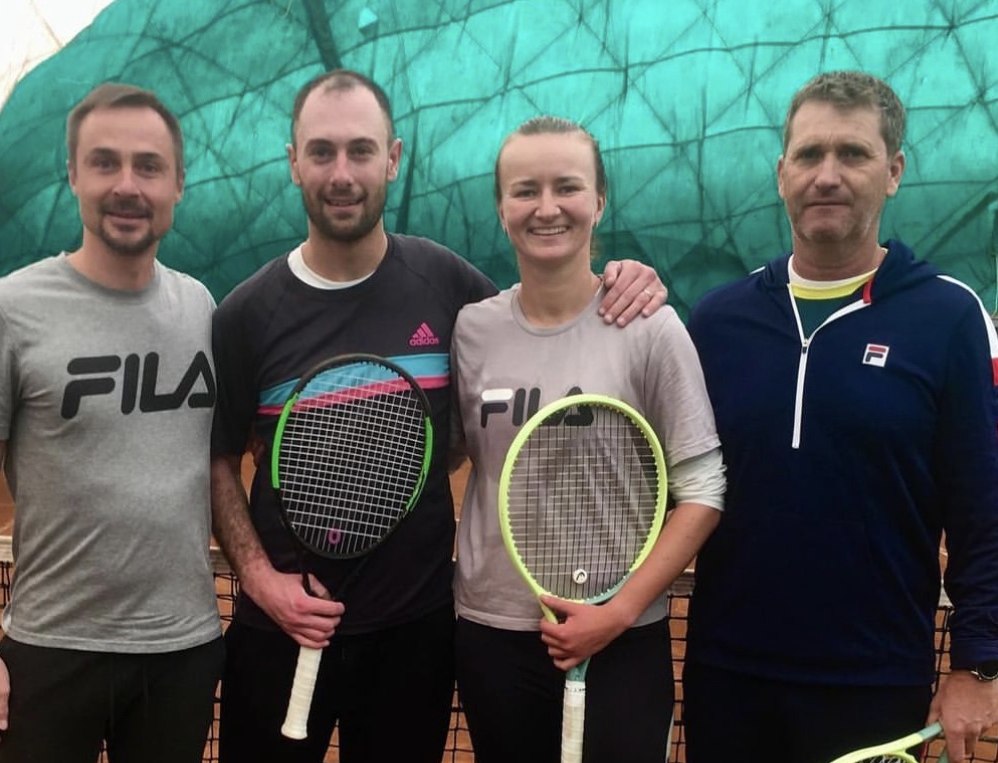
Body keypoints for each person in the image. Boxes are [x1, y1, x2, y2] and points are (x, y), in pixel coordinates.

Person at [208, 70, 668, 763]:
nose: (342, 173)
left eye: (362, 151)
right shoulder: (245, 313)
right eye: (322, 152)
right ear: (293, 161)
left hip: (414, 636)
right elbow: (218, 456)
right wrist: (259, 578)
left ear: (393, 159)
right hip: (279, 630)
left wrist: (620, 278)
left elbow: (540, 321)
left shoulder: (449, 285)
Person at [683, 70, 998, 763]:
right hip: (727, 676)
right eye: (809, 154)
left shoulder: (950, 316)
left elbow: (983, 505)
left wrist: (978, 663)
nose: (827, 175)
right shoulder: (716, 322)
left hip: (877, 682)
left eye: (853, 154)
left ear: (893, 172)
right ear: (782, 173)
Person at [0, 83, 224, 762]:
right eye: (104, 163)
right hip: (51, 650)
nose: (127, 185)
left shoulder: (201, 308)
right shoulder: (2, 311)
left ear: (178, 184)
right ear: (72, 175)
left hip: (181, 650)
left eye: (148, 166)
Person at [450, 116, 725, 762]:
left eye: (567, 187)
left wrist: (618, 611)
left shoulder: (651, 328)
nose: (546, 208)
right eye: (525, 190)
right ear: (501, 208)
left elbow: (703, 489)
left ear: (599, 201)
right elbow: (459, 453)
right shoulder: (471, 330)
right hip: (495, 631)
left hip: (619, 636)